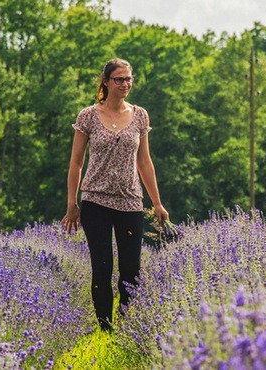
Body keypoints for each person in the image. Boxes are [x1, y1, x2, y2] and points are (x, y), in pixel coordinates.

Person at [61, 58, 169, 331]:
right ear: (106, 82)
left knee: (131, 271)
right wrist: (72, 203)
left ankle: (127, 326)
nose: (125, 84)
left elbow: (145, 162)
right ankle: (105, 329)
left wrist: (157, 203)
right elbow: (76, 162)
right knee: (102, 268)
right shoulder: (87, 116)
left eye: (129, 79)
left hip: (130, 202)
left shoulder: (141, 115)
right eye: (119, 79)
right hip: (95, 201)